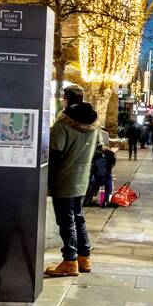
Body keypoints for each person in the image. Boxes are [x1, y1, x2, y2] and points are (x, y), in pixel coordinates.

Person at [45, 85, 105, 277]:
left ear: (66, 99)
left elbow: (55, 153)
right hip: (83, 179)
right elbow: (99, 151)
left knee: (66, 221)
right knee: (78, 217)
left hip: (64, 179)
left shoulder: (62, 125)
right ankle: (84, 257)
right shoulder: (94, 125)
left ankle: (70, 260)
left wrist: (48, 179)